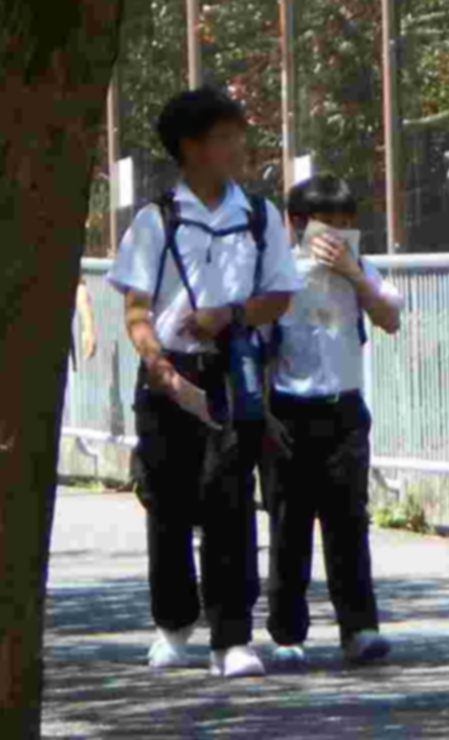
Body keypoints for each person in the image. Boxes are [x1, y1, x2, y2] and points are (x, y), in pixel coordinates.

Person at [108, 87, 300, 678]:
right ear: (190, 148)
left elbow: (281, 297)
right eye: (224, 137)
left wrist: (231, 315)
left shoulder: (260, 215)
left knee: (232, 502)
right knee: (166, 503)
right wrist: (156, 364)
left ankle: (232, 636)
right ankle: (172, 623)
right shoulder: (156, 218)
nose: (238, 146)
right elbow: (137, 308)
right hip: (169, 376)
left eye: (238, 134)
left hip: (231, 373)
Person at [263, 175, 401, 669]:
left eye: (348, 226)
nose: (339, 236)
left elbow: (391, 316)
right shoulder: (277, 273)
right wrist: (262, 414)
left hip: (343, 409)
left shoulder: (361, 268)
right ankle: (286, 633)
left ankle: (359, 629)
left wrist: (353, 272)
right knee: (288, 526)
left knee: (348, 523)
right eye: (329, 226)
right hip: (288, 411)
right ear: (295, 224)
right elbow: (258, 345)